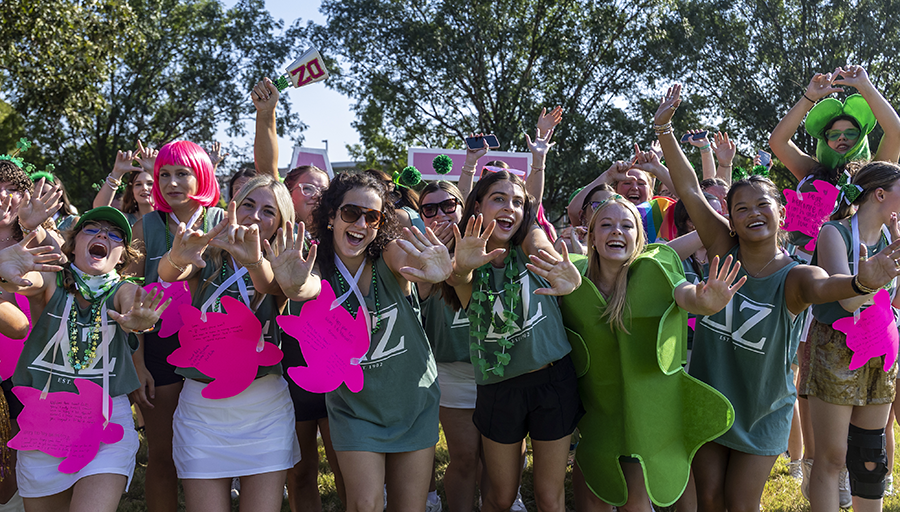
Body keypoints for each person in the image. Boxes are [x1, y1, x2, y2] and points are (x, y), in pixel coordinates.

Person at [654, 83, 900, 512]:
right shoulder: (721, 247)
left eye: (762, 205)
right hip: (711, 399)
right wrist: (664, 130)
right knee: (709, 499)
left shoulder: (796, 275)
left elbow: (826, 288)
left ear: (781, 212)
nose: (752, 213)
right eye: (741, 208)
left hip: (764, 411)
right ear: (729, 218)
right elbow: (691, 191)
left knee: (741, 504)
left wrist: (862, 283)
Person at [270, 172, 451, 512]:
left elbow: (406, 258)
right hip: (355, 409)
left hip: (413, 402)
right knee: (365, 504)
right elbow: (307, 287)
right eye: (351, 212)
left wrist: (432, 268)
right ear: (331, 216)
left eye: (373, 217)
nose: (361, 224)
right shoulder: (317, 266)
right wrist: (294, 286)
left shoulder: (388, 256)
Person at [561, 194, 745, 512]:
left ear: (639, 238)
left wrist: (707, 301)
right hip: (596, 416)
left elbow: (685, 294)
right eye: (606, 225)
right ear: (590, 236)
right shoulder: (574, 277)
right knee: (593, 495)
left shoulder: (654, 270)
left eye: (626, 225)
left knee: (636, 500)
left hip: (645, 418)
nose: (616, 231)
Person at [0, 207, 168, 512]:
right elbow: (24, 282)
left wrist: (136, 319)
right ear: (73, 245)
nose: (103, 234)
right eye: (92, 229)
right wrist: (4, 271)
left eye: (114, 234)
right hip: (44, 422)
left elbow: (130, 303)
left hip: (105, 424)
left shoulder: (123, 289)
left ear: (122, 256)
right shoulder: (51, 282)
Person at [159, 175, 300, 512]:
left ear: (280, 224)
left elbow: (271, 286)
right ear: (234, 206)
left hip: (264, 411)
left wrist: (253, 261)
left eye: (269, 211)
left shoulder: (283, 265)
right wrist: (177, 258)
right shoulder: (210, 254)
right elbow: (168, 274)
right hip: (202, 411)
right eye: (248, 204)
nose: (255, 215)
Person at [445, 170, 583, 512]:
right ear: (477, 205)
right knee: (500, 497)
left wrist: (555, 267)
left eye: (517, 202)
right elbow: (459, 277)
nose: (510, 208)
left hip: (553, 381)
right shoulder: (467, 258)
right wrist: (462, 265)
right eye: (498, 199)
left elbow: (538, 244)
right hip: (499, 388)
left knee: (550, 498)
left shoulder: (529, 242)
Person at [127, 140, 225, 512]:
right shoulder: (145, 225)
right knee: (163, 455)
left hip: (215, 350)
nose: (171, 182)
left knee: (210, 455)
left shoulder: (222, 222)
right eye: (163, 174)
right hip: (158, 354)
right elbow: (128, 298)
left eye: (182, 173)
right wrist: (137, 365)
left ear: (201, 175)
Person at [803, 162, 900, 511]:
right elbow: (845, 298)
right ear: (880, 194)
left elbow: (895, 301)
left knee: (870, 454)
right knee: (832, 458)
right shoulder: (835, 232)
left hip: (880, 350)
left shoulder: (895, 239)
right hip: (836, 349)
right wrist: (870, 278)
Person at [417, 181, 482, 512]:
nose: (440, 214)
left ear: (463, 206)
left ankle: (505, 498)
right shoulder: (415, 254)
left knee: (500, 456)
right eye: (429, 209)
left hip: (497, 369)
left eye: (448, 205)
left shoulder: (485, 244)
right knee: (466, 457)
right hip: (451, 372)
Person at [769, 66, 900, 183]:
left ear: (861, 139)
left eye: (851, 132)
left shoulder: (875, 173)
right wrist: (810, 97)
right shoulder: (811, 172)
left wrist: (865, 85)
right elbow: (778, 141)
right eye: (833, 134)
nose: (842, 138)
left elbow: (896, 133)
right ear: (824, 140)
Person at [93, 146, 156, 225]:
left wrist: (155, 171)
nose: (144, 188)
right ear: (132, 191)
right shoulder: (125, 220)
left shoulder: (170, 217)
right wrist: (116, 173)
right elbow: (99, 210)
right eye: (138, 184)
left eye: (150, 183)